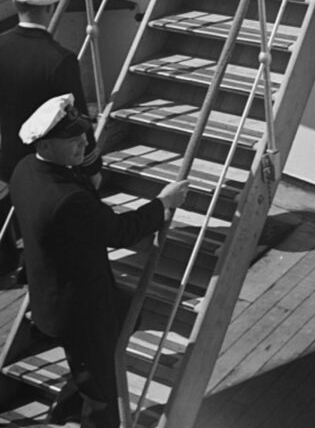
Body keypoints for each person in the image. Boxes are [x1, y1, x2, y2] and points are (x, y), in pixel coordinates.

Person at [10, 94, 189, 428]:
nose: (82, 143)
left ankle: (65, 406)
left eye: (82, 135)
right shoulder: (67, 199)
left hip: (54, 295)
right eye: (72, 139)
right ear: (46, 146)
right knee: (102, 393)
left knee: (124, 316)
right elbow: (120, 232)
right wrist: (163, 203)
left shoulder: (26, 170)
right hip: (80, 313)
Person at [0, 0, 102, 283]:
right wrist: (93, 164)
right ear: (50, 7)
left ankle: (7, 268)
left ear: (15, 2)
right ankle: (33, 270)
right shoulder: (59, 59)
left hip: (6, 156)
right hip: (43, 160)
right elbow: (77, 120)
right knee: (43, 221)